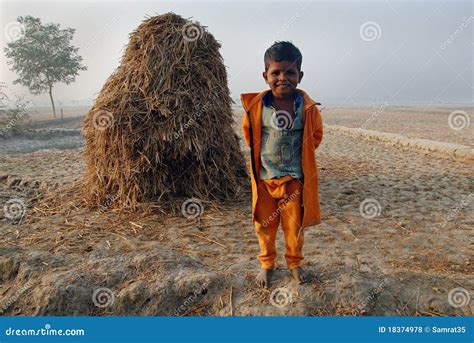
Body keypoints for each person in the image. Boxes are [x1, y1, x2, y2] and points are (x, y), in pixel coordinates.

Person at [240, 41, 324, 288]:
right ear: (265, 76)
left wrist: (302, 157)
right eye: (275, 73)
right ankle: (267, 265)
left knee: (294, 226)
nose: (282, 78)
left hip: (295, 181)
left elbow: (315, 136)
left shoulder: (306, 108)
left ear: (300, 75)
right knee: (264, 226)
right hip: (265, 180)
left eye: (290, 72)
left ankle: (295, 264)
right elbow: (249, 135)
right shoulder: (258, 107)